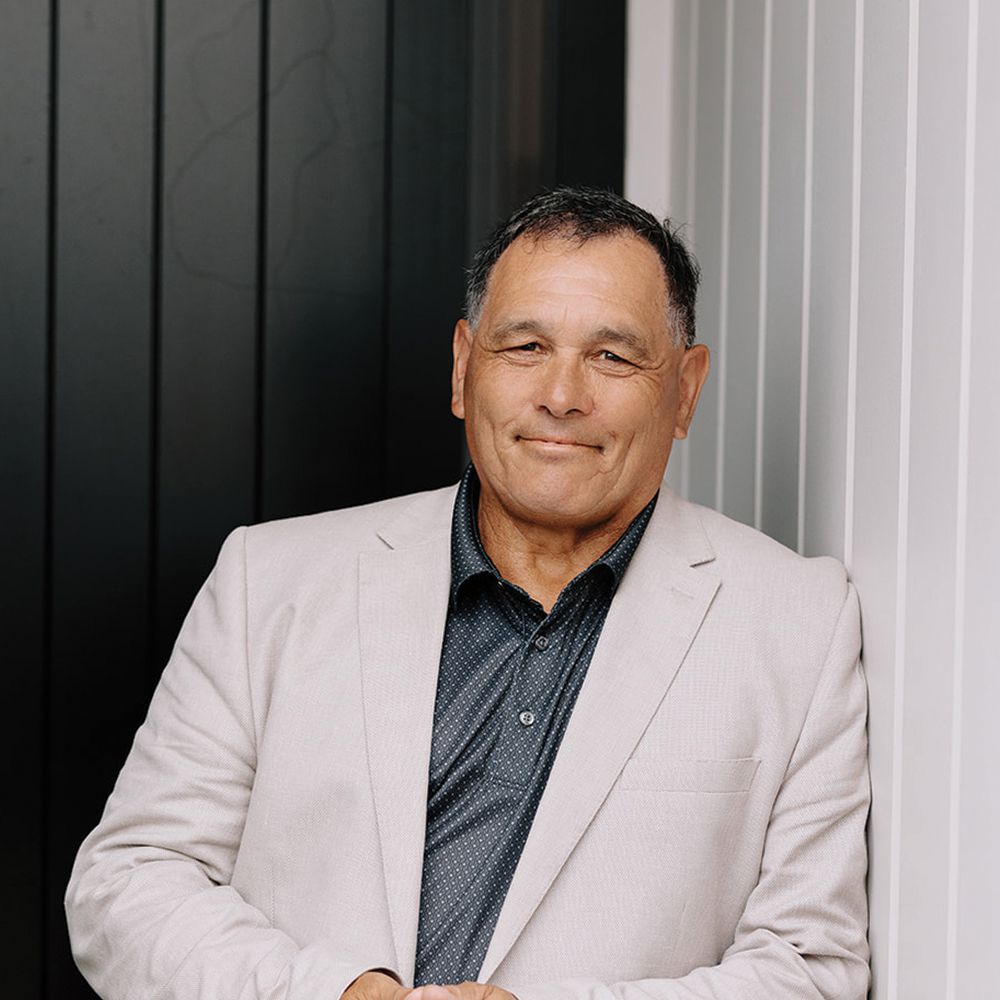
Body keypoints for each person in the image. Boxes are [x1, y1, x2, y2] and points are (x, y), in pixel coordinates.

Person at [66, 187, 870, 1000]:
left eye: (612, 357)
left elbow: (811, 968)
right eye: (525, 346)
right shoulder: (267, 583)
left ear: (686, 390)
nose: (562, 394)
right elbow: (127, 882)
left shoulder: (799, 622)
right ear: (463, 367)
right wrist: (336, 995)